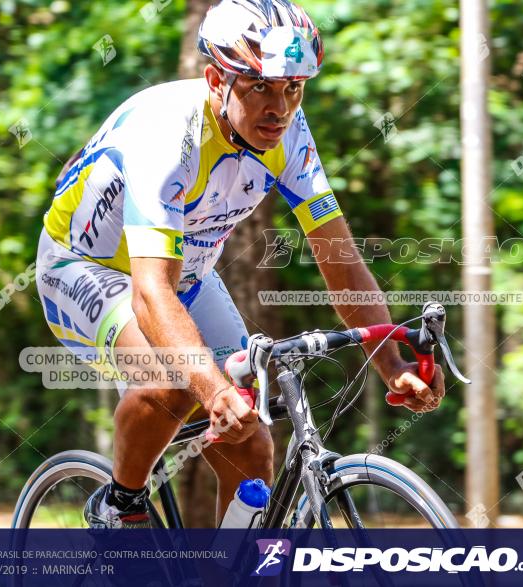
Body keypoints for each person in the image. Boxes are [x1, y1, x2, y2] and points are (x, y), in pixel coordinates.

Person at [35, 0, 445, 529]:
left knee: (253, 448)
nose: (280, 108)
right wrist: (211, 389)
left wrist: (392, 362)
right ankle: (120, 505)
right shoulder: (168, 133)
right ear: (215, 80)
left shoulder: (290, 135)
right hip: (86, 269)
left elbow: (339, 258)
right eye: (261, 87)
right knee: (177, 380)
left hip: (186, 274)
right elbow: (150, 293)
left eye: (294, 88)